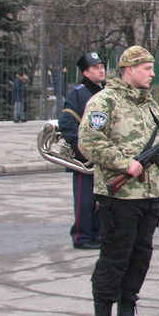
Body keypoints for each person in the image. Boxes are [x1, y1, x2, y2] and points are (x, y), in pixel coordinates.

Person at [78, 46, 159, 316]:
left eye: (152, 69)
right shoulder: (104, 101)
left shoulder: (148, 104)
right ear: (129, 69)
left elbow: (152, 141)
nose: (153, 74)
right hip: (119, 195)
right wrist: (124, 164)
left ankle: (127, 315)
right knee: (114, 259)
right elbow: (88, 141)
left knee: (139, 258)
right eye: (147, 69)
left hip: (149, 194)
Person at [59, 51, 106, 249]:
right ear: (86, 73)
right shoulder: (78, 93)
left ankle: (97, 234)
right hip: (84, 158)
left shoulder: (105, 91)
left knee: (101, 200)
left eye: (102, 66)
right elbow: (67, 122)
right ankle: (82, 237)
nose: (101, 70)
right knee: (85, 200)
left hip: (103, 156)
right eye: (96, 68)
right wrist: (82, 149)